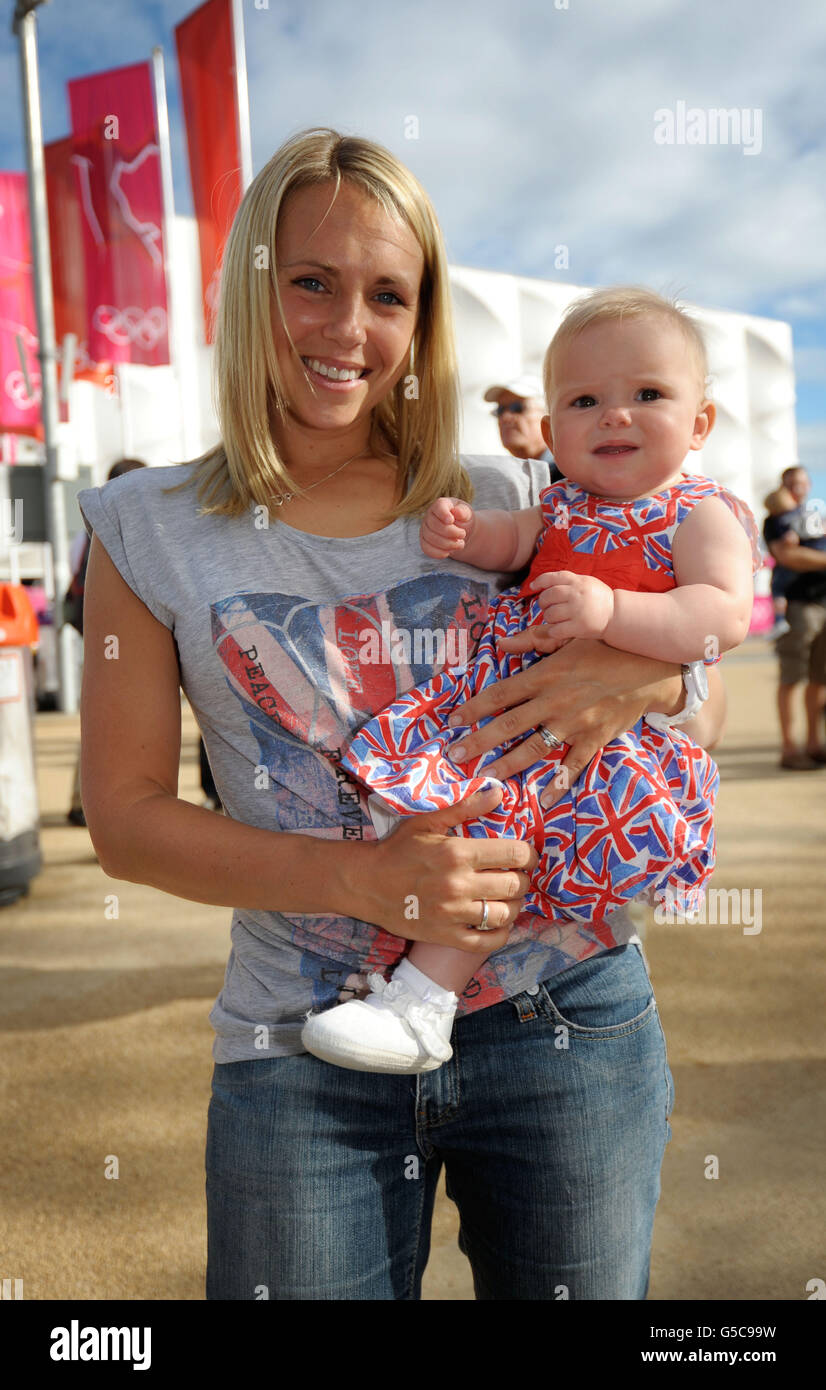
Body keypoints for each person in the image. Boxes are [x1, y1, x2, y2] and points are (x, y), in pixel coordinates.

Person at [77, 129, 724, 1302]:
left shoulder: (502, 497)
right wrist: (363, 882)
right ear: (250, 287)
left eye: (388, 294)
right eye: (311, 282)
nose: (346, 329)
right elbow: (122, 823)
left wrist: (657, 678)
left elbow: (694, 692)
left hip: (567, 1020)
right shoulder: (143, 526)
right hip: (300, 1052)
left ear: (420, 320)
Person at [303, 287, 758, 1075]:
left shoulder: (699, 514)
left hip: (605, 747)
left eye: (647, 394)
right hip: (515, 704)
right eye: (586, 401)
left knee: (497, 840)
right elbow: (512, 541)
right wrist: (469, 533)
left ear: (701, 423)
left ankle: (421, 1002)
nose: (615, 415)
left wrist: (612, 609)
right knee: (436, 814)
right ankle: (396, 964)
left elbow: (723, 618)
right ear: (552, 433)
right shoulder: (559, 504)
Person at [64, 457, 147, 826]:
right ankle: (128, 803)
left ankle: (83, 802)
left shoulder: (86, 532)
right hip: (135, 646)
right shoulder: (144, 530)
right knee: (131, 723)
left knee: (96, 723)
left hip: (96, 640)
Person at [762, 465, 826, 769]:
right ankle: (790, 748)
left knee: (820, 679)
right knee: (792, 678)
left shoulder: (817, 516)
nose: (798, 488)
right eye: (792, 484)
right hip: (799, 606)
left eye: (802, 483)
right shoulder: (776, 521)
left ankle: (814, 743)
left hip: (823, 602)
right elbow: (789, 557)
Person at [483, 374, 563, 481]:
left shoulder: (570, 475)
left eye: (517, 408)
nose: (505, 417)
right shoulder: (506, 479)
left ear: (549, 416)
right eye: (500, 410)